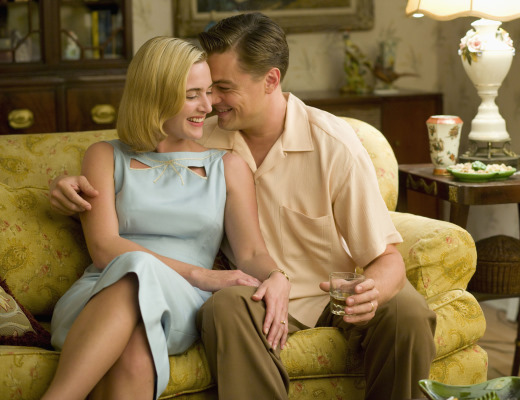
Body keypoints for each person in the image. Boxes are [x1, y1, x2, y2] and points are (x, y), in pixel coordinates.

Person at [49, 13, 437, 400]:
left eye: (221, 88)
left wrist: (370, 292)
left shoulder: (333, 143)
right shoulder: (201, 132)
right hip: (253, 296)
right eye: (202, 90)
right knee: (224, 306)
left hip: (328, 297)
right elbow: (143, 140)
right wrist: (65, 184)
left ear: (270, 80)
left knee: (407, 310)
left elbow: (386, 257)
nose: (210, 103)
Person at [42, 36, 290, 400]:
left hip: (180, 303)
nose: (208, 106)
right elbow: (105, 248)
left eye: (209, 92)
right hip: (99, 297)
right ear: (155, 96)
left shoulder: (227, 167)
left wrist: (278, 276)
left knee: (138, 270)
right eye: (192, 95)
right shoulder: (105, 156)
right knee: (134, 346)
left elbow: (251, 252)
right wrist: (203, 275)